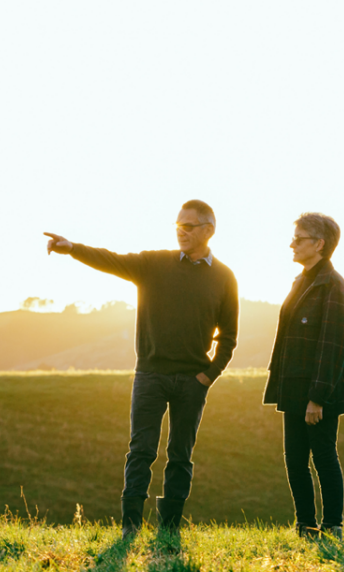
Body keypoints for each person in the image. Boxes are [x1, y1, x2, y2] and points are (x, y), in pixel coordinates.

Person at [44, 200, 239, 537]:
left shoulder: (224, 277)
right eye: (178, 224)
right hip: (151, 375)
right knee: (141, 450)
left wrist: (208, 376)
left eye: (189, 226)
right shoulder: (154, 264)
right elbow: (111, 260)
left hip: (193, 380)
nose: (181, 231)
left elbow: (230, 336)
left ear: (208, 230)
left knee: (180, 454)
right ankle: (130, 526)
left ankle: (169, 528)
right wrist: (73, 248)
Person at [262, 213, 344, 538]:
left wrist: (318, 397)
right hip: (294, 386)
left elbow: (333, 347)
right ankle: (305, 526)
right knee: (295, 459)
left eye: (299, 238)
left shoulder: (333, 285)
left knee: (324, 456)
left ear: (319, 244)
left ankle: (332, 526)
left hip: (318, 391)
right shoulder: (302, 280)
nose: (292, 244)